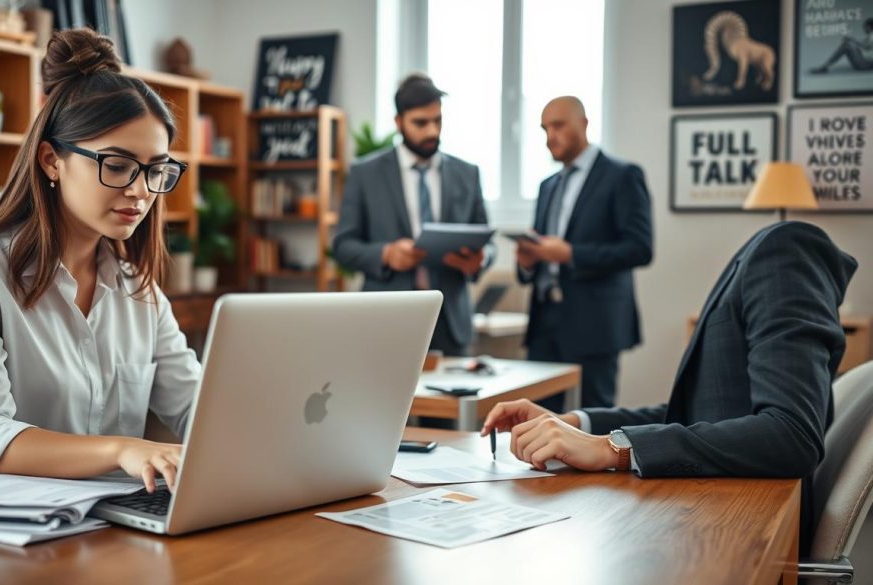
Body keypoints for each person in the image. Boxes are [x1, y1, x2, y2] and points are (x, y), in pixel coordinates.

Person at [0, 29, 198, 494]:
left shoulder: (139, 290)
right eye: (118, 164)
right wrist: (121, 450)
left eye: (156, 170)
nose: (141, 190)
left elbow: (196, 409)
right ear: (51, 161)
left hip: (96, 525)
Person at [485, 221, 857, 555]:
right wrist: (573, 423)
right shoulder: (768, 255)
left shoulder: (787, 248)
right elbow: (697, 414)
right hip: (723, 514)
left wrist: (610, 449)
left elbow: (790, 435)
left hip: (742, 536)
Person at [332, 74, 494, 357]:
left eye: (438, 120)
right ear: (399, 122)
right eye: (421, 122)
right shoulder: (365, 174)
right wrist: (386, 254)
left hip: (451, 323)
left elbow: (487, 241)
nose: (432, 131)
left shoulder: (467, 173)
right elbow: (343, 247)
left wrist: (480, 260)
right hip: (387, 320)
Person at [517, 96, 653, 411]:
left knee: (591, 422)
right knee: (536, 420)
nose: (550, 136)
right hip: (544, 323)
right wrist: (528, 263)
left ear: (584, 123)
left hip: (594, 324)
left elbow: (640, 249)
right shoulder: (547, 186)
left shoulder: (623, 175)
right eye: (544, 128)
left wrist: (571, 254)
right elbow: (541, 251)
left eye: (558, 125)